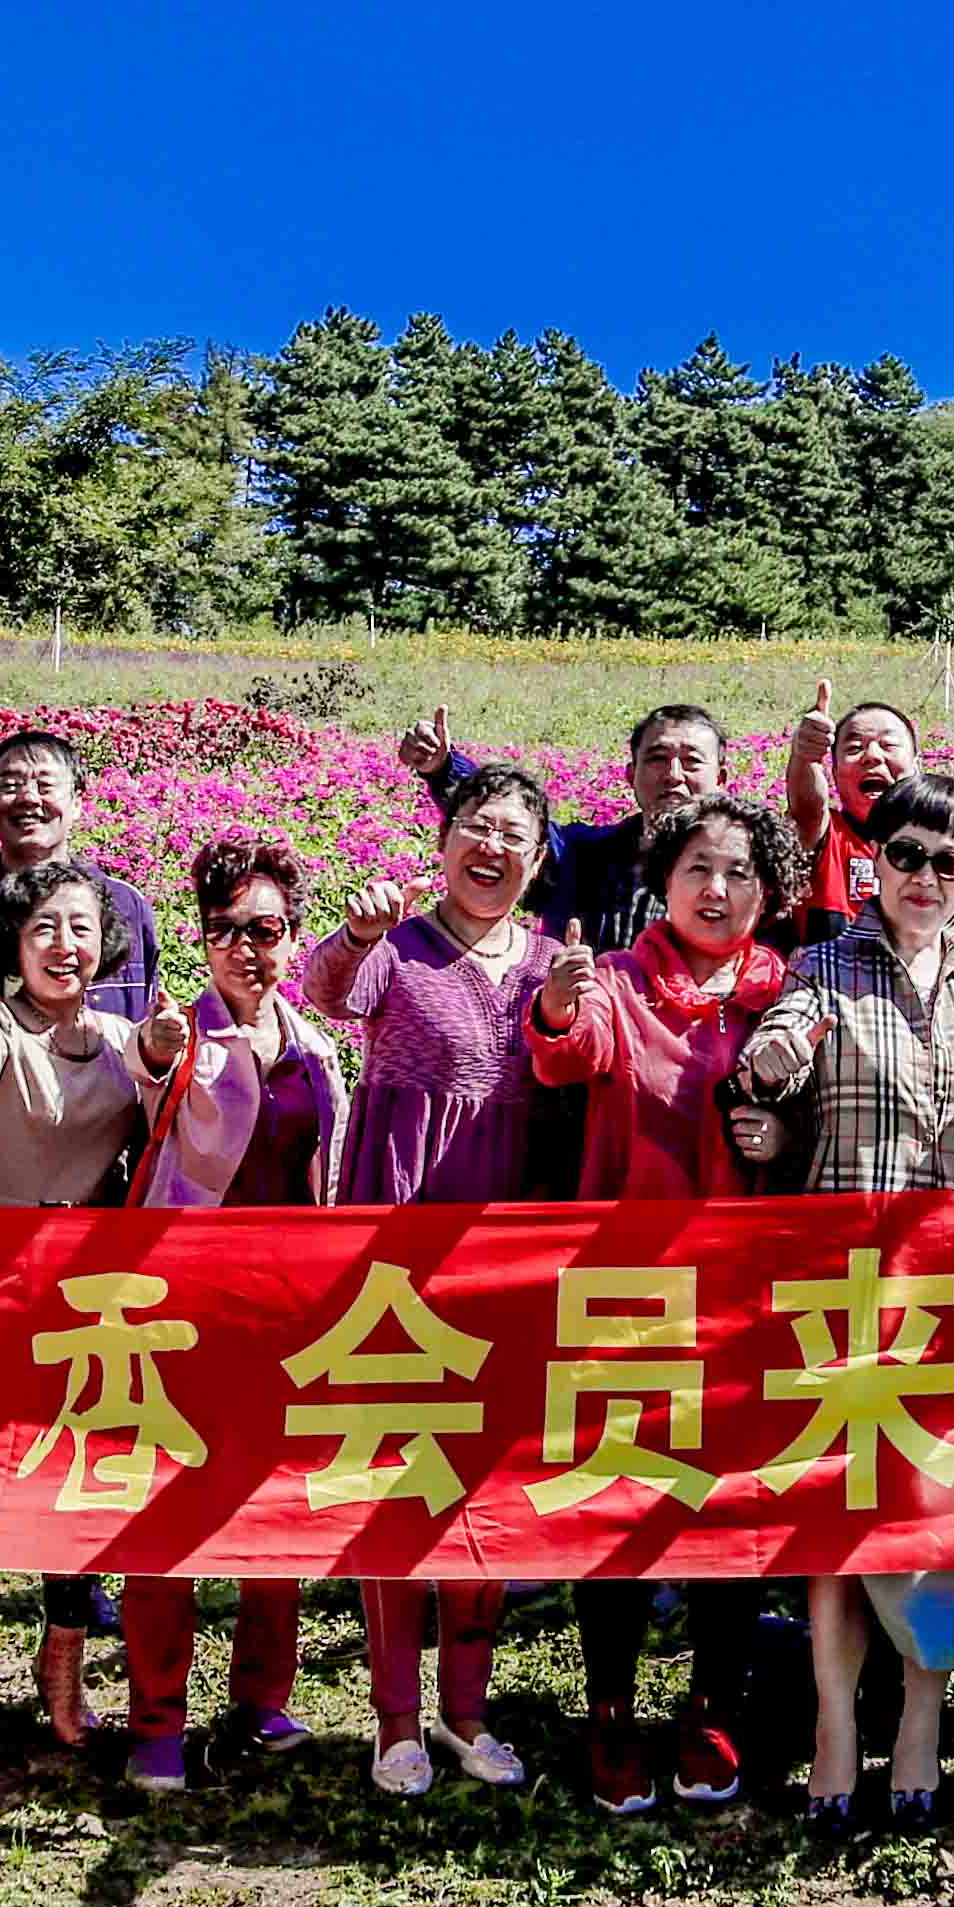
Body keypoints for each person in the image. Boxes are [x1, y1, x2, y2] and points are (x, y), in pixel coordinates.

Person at [727, 777, 954, 1835]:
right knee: (839, 1517)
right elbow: (775, 1052)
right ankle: (838, 1723)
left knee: (939, 1508)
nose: (926, 878)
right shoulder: (824, 968)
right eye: (908, 856)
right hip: (846, 1285)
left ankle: (922, 1712)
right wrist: (775, 1060)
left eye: (951, 863)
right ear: (872, 859)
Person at [522, 796, 796, 1813]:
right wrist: (557, 1003)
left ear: (768, 892)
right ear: (662, 882)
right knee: (621, 1499)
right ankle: (609, 1711)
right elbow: (570, 1049)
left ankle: (715, 1702)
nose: (717, 890)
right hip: (627, 1283)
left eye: (738, 873)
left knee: (733, 1504)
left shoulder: (790, 992)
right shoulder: (623, 981)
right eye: (697, 870)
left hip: (747, 1291)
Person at [299, 768, 564, 1795]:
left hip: (508, 1249)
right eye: (476, 828)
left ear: (538, 862)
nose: (492, 848)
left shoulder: (551, 961)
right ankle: (395, 1719)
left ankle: (467, 1710)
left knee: (487, 1488)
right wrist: (358, 934)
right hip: (401, 1237)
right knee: (400, 1487)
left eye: (514, 836)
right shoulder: (399, 948)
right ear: (445, 840)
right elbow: (326, 992)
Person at [0, 860, 150, 1762]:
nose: (64, 945)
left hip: (86, 1294)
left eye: (81, 927)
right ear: (13, 939)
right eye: (45, 926)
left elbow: (174, 1101)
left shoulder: (127, 1038)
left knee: (69, 1475)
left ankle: (64, 1661)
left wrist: (175, 1054)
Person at [110, 836, 340, 1786]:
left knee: (270, 1504)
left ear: (294, 935)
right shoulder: (183, 1030)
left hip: (288, 1306)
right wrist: (158, 1052)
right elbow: (146, 1069)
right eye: (224, 931)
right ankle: (157, 1717)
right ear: (200, 942)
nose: (248, 948)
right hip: (185, 1302)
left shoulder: (315, 1042)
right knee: (168, 1510)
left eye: (267, 929)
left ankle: (261, 1698)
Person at [396, 700, 731, 950]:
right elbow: (517, 828)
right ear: (631, 775)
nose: (672, 775)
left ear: (721, 778)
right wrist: (443, 769)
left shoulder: (745, 875)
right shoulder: (582, 857)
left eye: (691, 762)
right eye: (657, 759)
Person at [0, 727, 165, 1022]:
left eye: (46, 786)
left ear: (77, 803)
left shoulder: (126, 906)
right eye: (9, 785)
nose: (29, 798)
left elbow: (145, 1024)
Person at [773, 685, 932, 943]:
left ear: (916, 765)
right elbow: (807, 809)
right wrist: (804, 758)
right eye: (854, 748)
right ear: (833, 773)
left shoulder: (945, 846)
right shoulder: (826, 835)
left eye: (889, 745)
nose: (872, 756)